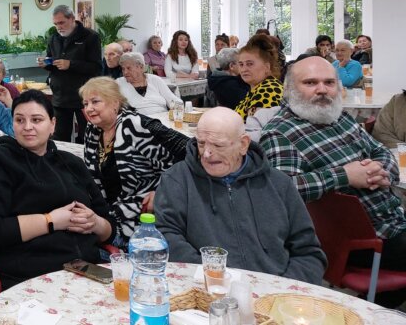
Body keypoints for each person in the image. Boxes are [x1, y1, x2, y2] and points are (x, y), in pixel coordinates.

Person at [260, 57, 406, 307]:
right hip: (363, 240)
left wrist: (381, 169)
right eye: (310, 82)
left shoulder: (340, 117)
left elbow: (381, 150)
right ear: (290, 89)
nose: (322, 89)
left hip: (395, 221)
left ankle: (382, 306)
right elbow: (281, 191)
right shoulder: (280, 134)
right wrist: (344, 176)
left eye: (329, 82)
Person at [0, 90, 115, 289]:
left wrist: (95, 223)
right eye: (19, 120)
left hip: (89, 268)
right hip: (27, 274)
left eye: (36, 120)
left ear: (52, 124)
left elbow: (109, 229)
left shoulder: (72, 163)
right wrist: (50, 221)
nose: (28, 127)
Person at [155, 108, 326, 284]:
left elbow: (308, 252)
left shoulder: (279, 184)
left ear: (243, 144)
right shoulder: (177, 180)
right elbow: (167, 238)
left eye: (218, 145)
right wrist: (215, 277)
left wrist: (284, 287)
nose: (206, 153)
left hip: (276, 291)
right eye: (201, 143)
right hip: (207, 288)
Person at [80, 77, 188, 247]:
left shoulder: (137, 125)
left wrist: (161, 191)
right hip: (109, 209)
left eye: (95, 102)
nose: (89, 109)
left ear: (115, 103)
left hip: (140, 214)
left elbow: (190, 151)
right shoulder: (93, 130)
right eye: (86, 104)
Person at [40, 5, 102, 143]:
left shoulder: (91, 37)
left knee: (87, 137)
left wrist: (70, 64)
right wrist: (46, 64)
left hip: (84, 96)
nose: (58, 27)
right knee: (59, 138)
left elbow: (97, 67)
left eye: (61, 22)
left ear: (73, 19)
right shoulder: (53, 38)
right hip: (60, 96)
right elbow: (53, 62)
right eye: (55, 24)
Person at [234, 34, 283, 130]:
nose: (244, 69)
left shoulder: (269, 91)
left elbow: (256, 133)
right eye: (241, 64)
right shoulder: (258, 87)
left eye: (250, 64)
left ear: (267, 67)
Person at [116, 52, 181, 117]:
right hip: (137, 122)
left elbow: (173, 100)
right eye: (123, 69)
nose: (125, 72)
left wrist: (178, 114)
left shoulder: (155, 80)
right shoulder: (119, 83)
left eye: (128, 68)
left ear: (141, 67)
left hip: (163, 117)